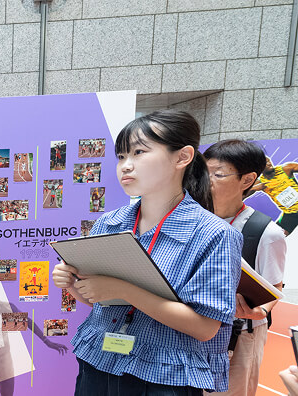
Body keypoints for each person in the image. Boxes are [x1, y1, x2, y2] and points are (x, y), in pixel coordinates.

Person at [52, 110, 241, 395]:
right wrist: (73, 284)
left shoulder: (214, 234)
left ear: (182, 157)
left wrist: (123, 289)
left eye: (139, 152)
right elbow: (102, 301)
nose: (126, 166)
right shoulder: (109, 223)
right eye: (121, 156)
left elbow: (204, 327)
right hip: (99, 361)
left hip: (163, 375)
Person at [203, 140, 287, 396]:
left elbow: (274, 286)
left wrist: (259, 311)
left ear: (248, 179)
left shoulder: (265, 232)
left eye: (218, 174)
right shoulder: (194, 220)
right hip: (194, 328)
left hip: (238, 335)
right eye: (203, 172)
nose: (207, 181)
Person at [250, 157, 298, 234]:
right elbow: (241, 195)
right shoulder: (260, 182)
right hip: (291, 214)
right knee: (275, 236)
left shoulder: (286, 168)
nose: (269, 163)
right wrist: (253, 188)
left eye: (269, 161)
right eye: (265, 163)